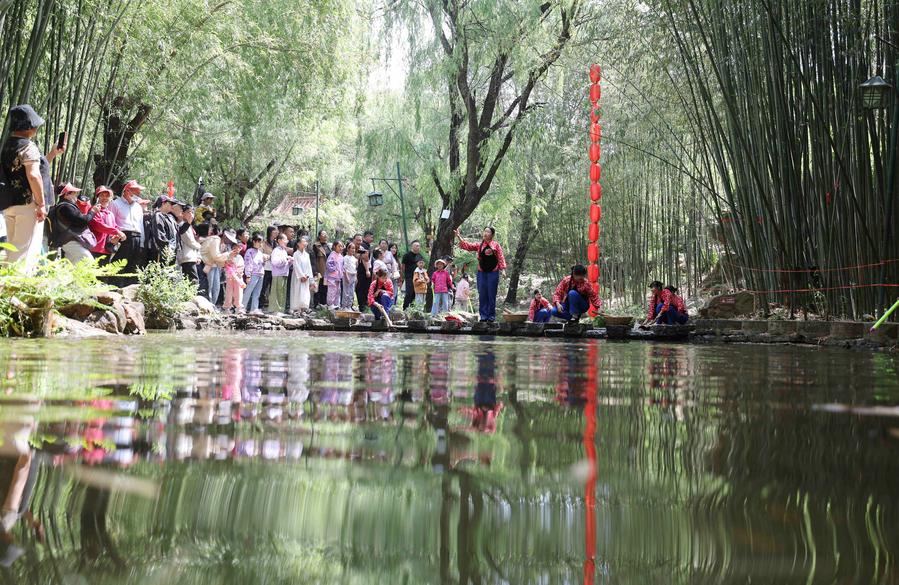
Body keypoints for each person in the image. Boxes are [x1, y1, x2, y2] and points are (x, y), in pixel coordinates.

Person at [1, 105, 62, 271]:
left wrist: (52, 154)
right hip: (28, 205)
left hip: (10, 205)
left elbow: (37, 167)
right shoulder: (28, 146)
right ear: (28, 126)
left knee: (12, 249)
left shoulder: (8, 146)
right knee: (25, 253)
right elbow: (34, 175)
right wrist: (41, 204)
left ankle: (6, 284)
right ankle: (16, 286)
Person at [454, 227, 506, 322]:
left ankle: (491, 316)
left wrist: (502, 270)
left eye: (488, 232)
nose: (485, 233)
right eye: (485, 231)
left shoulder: (496, 245)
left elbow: (500, 257)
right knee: (482, 293)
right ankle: (483, 316)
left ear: (492, 235)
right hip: (482, 272)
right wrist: (458, 236)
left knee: (491, 293)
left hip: (493, 272)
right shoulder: (479, 245)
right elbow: (467, 246)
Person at [110, 179, 147, 284]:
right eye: (135, 190)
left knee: (133, 266)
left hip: (137, 237)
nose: (138, 193)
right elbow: (111, 222)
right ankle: (114, 287)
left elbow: (140, 225)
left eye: (138, 191)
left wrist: (142, 243)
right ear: (127, 190)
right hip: (122, 237)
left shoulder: (138, 207)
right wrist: (111, 239)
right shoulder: (115, 204)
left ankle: (128, 289)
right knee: (118, 265)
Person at [50, 183, 97, 264]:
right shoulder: (65, 207)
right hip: (69, 241)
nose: (76, 196)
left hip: (68, 240)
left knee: (70, 266)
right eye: (74, 193)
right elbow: (82, 221)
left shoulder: (64, 206)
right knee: (88, 261)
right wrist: (92, 212)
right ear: (66, 195)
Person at [88, 186, 126, 260]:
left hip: (107, 250)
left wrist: (115, 237)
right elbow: (99, 226)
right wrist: (117, 232)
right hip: (94, 249)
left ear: (111, 198)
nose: (105, 198)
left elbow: (114, 227)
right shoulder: (93, 210)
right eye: (102, 195)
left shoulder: (110, 214)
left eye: (107, 196)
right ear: (97, 197)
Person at [200, 226, 228, 306]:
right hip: (209, 265)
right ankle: (209, 305)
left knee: (216, 287)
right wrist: (228, 254)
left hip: (216, 266)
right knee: (209, 286)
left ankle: (212, 305)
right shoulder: (215, 239)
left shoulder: (222, 243)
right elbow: (216, 256)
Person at [176, 206, 201, 283]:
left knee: (190, 281)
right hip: (186, 257)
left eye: (192, 212)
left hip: (190, 257)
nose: (191, 214)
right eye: (188, 212)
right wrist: (199, 246)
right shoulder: (182, 225)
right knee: (193, 281)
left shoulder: (189, 226)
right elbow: (189, 241)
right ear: (183, 213)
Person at [243, 234, 267, 313]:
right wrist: (248, 275)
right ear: (254, 241)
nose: (261, 244)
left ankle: (254, 308)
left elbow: (261, 264)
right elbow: (248, 263)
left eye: (261, 242)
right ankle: (242, 307)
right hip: (253, 274)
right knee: (248, 291)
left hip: (260, 274)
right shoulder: (249, 251)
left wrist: (264, 261)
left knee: (257, 293)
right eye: (259, 242)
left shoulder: (260, 252)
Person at [289, 236, 314, 313]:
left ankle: (304, 307)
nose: (305, 243)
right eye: (303, 242)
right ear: (298, 244)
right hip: (298, 277)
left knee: (305, 292)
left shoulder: (307, 254)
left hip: (306, 276)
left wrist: (308, 277)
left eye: (306, 242)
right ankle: (296, 308)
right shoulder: (296, 254)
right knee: (297, 291)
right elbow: (296, 266)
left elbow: (309, 267)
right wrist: (301, 276)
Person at [269, 233, 291, 314]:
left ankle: (281, 309)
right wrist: (285, 259)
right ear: (279, 241)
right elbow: (275, 262)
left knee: (282, 293)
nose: (287, 241)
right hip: (278, 274)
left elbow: (285, 263)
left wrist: (290, 261)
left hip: (284, 273)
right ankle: (275, 310)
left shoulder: (284, 251)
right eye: (285, 240)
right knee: (276, 292)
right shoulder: (276, 250)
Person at [222, 242, 246, 313]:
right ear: (232, 248)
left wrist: (238, 272)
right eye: (235, 247)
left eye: (238, 248)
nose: (237, 249)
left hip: (238, 277)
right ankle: (227, 307)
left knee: (238, 293)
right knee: (229, 292)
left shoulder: (240, 257)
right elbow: (226, 265)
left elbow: (242, 267)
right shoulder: (228, 256)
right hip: (230, 276)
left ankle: (238, 308)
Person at [400, 240, 424, 309]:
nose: (418, 247)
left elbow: (422, 266)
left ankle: (413, 309)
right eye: (416, 246)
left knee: (415, 293)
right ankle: (405, 308)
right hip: (409, 277)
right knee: (409, 293)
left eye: (419, 246)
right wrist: (402, 276)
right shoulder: (407, 255)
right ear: (412, 246)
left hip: (418, 278)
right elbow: (403, 266)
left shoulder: (420, 256)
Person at [259, 226, 278, 308]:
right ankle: (260, 304)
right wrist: (269, 257)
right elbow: (260, 254)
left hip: (274, 268)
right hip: (266, 268)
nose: (276, 233)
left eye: (277, 231)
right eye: (275, 231)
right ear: (270, 232)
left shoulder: (276, 243)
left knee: (272, 288)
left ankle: (271, 305)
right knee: (263, 287)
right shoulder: (264, 243)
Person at [311, 230, 331, 307]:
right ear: (319, 236)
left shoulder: (328, 246)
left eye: (326, 234)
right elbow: (313, 259)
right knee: (318, 287)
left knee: (325, 287)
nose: (325, 235)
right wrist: (315, 270)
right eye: (323, 234)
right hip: (319, 269)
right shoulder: (316, 246)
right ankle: (316, 304)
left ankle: (323, 303)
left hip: (327, 270)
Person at [325, 240, 345, 308]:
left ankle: (336, 304)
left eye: (342, 246)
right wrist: (334, 269)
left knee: (337, 291)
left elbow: (342, 266)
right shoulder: (332, 254)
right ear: (334, 246)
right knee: (332, 290)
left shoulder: (341, 256)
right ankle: (330, 304)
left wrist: (341, 273)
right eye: (339, 246)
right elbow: (328, 264)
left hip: (338, 277)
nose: (341, 248)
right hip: (332, 276)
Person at [341, 242, 358, 309]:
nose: (353, 250)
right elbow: (344, 268)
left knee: (351, 292)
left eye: (354, 248)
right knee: (346, 291)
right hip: (347, 275)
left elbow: (355, 268)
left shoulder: (354, 258)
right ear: (348, 249)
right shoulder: (345, 258)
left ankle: (349, 306)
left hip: (353, 275)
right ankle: (344, 306)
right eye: (352, 248)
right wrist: (347, 276)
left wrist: (356, 277)